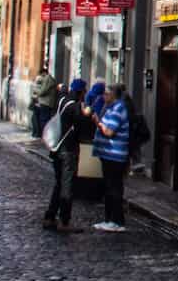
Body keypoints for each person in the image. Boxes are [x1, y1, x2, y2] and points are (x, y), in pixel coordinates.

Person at [41, 80, 96, 231]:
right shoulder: (75, 107)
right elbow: (83, 128)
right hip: (68, 150)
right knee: (67, 185)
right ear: (81, 92)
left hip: (56, 149)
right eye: (84, 91)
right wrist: (88, 115)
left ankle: (50, 217)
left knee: (59, 184)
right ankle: (64, 221)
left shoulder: (62, 101)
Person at [91, 84, 133, 231]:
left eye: (106, 94)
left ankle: (116, 221)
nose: (104, 96)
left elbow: (109, 132)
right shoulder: (111, 107)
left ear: (113, 95)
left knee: (114, 188)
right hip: (108, 154)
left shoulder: (118, 108)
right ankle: (109, 219)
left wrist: (98, 122)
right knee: (109, 187)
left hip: (114, 155)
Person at [30, 67, 59, 139]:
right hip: (46, 102)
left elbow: (43, 91)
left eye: (42, 75)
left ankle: (44, 135)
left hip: (46, 102)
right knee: (44, 119)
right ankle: (43, 134)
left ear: (44, 73)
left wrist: (36, 93)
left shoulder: (48, 79)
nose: (41, 77)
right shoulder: (49, 79)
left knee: (44, 119)